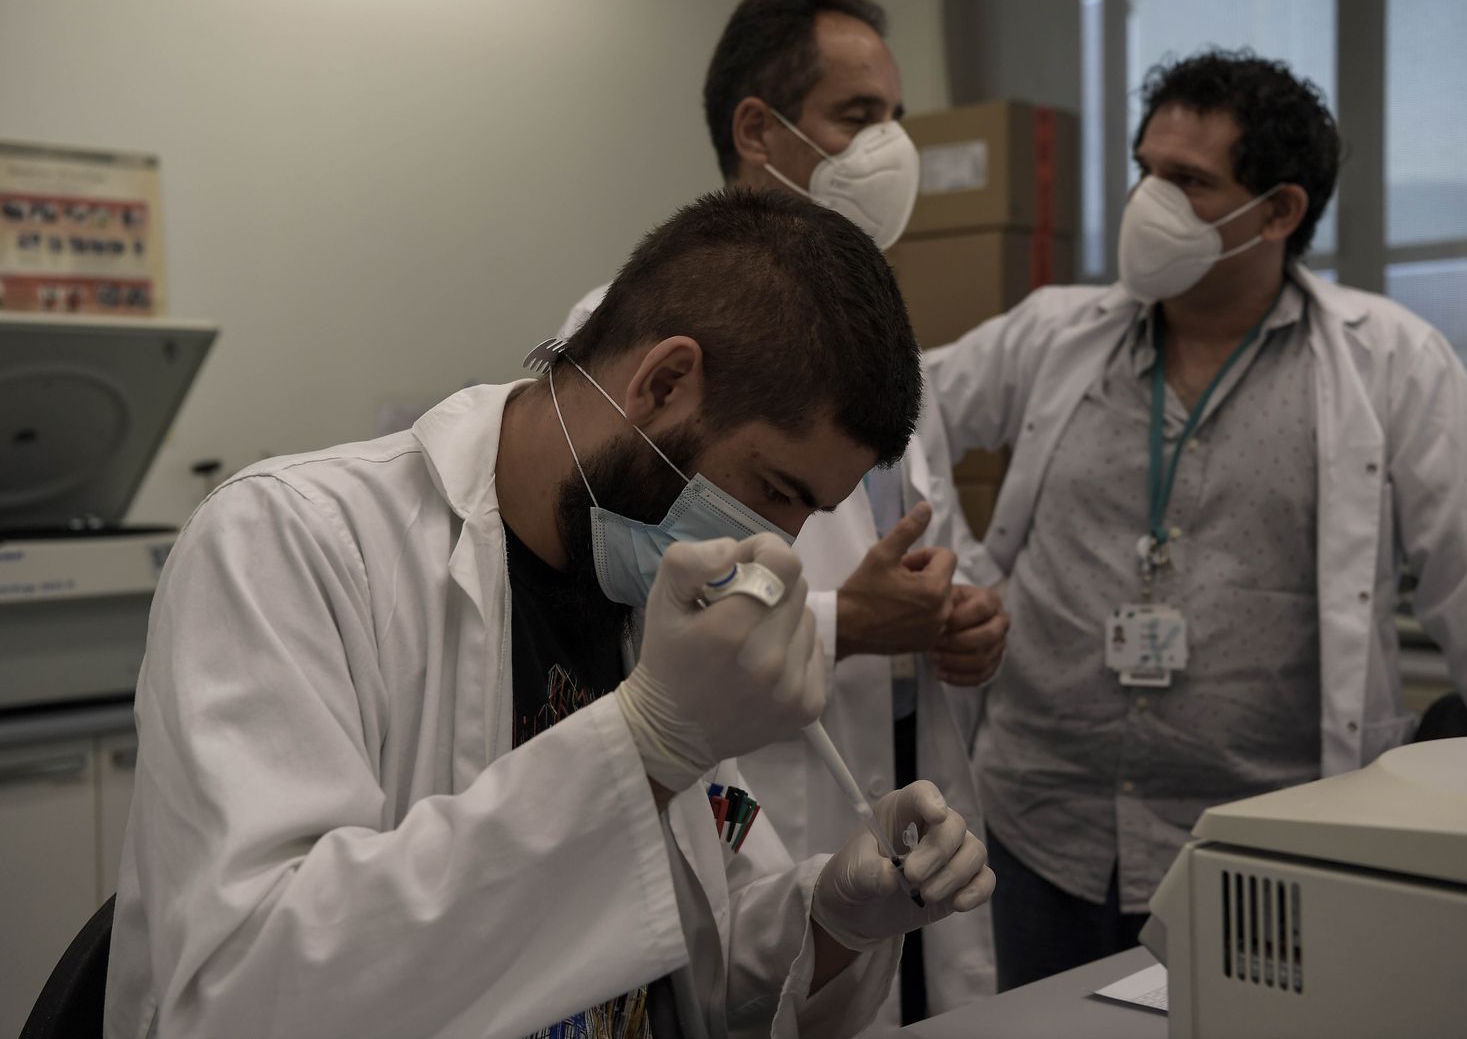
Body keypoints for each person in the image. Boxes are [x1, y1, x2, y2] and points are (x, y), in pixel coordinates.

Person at [105, 189, 995, 1039]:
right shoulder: (293, 542)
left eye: (808, 513)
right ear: (665, 382)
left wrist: (833, 919)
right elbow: (246, 999)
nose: (781, 543)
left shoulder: (645, 584)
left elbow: (693, 974)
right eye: (773, 490)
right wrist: (644, 747)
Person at [923, 49, 1467, 990]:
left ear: (1279, 212)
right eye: (1145, 171)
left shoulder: (1392, 361)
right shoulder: (1055, 333)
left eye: (1189, 181)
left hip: (1257, 844)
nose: (1148, 203)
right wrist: (955, 577)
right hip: (1037, 828)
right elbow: (895, 414)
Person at [558, 0, 1003, 1024]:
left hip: (907, 780)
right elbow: (620, 596)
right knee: (772, 980)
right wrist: (851, 623)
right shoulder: (632, 335)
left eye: (895, 116)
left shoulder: (879, 350)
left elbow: (926, 541)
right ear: (757, 130)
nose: (890, 146)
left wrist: (962, 614)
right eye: (857, 115)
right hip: (757, 803)